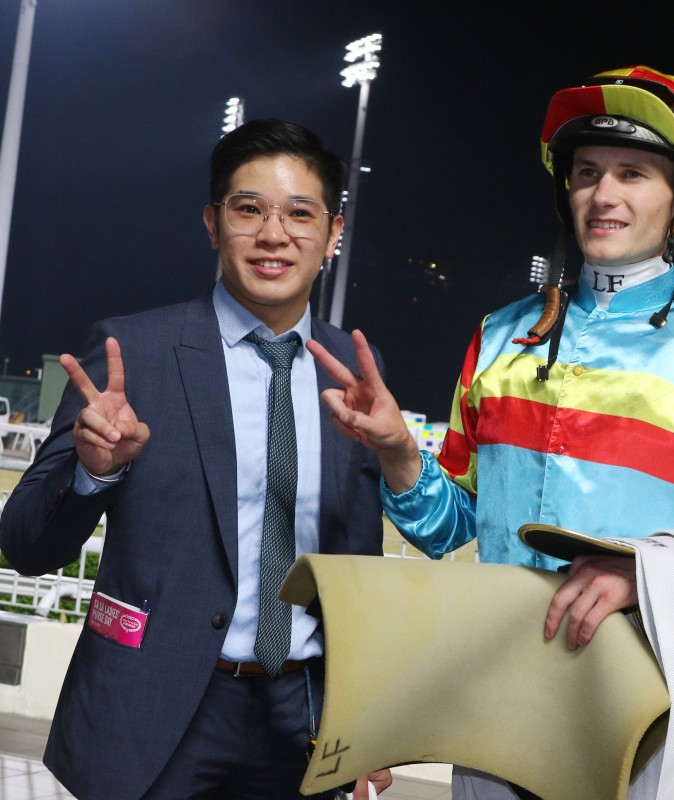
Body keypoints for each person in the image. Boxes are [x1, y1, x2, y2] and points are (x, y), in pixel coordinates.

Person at [308, 66, 674, 798]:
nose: (603, 195)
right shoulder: (498, 337)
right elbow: (451, 527)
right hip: (493, 706)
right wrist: (395, 451)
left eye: (633, 173)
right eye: (586, 173)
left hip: (651, 723)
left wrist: (652, 575)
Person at [0, 119, 391, 800]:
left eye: (300, 213)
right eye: (249, 210)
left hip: (301, 719)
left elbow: (357, 560)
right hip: (153, 717)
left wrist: (369, 720)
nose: (274, 234)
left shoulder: (351, 372)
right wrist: (95, 471)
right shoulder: (133, 353)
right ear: (213, 223)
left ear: (333, 235)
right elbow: (26, 545)